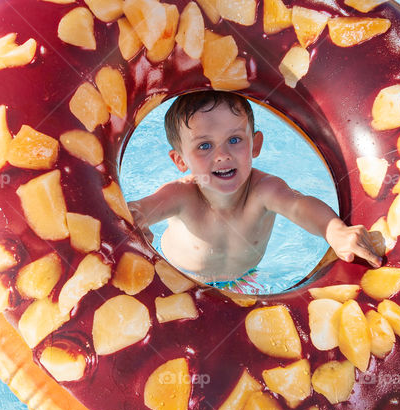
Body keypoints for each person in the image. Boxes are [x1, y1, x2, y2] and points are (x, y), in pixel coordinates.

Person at [127, 91, 383, 293]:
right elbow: (142, 208)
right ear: (180, 161)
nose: (222, 155)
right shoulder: (181, 195)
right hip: (177, 279)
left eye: (235, 140)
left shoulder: (264, 190)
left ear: (255, 145)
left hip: (244, 280)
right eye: (204, 145)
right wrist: (135, 218)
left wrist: (335, 231)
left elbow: (299, 206)